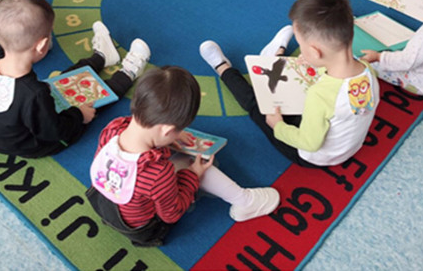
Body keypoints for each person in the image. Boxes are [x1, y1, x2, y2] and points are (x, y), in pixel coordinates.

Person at [86, 66, 280, 247]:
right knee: (195, 163)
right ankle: (244, 201)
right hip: (144, 230)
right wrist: (193, 175)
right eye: (178, 130)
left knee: (171, 166)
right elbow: (172, 214)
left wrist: (170, 137)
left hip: (104, 205)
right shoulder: (158, 174)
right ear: (167, 130)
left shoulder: (114, 127)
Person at [200, 0, 379, 167]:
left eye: (301, 45)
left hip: (312, 156)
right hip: (344, 144)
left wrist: (278, 125)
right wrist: (314, 64)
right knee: (296, 80)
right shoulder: (367, 69)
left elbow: (309, 143)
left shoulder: (320, 95)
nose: (301, 49)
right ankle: (275, 58)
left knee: (258, 105)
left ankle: (222, 67)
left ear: (315, 52)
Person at [0, 0, 151, 158]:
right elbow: (55, 131)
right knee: (91, 100)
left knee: (63, 82)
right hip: (35, 143)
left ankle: (102, 58)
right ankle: (127, 73)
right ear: (42, 46)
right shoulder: (35, 94)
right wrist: (79, 115)